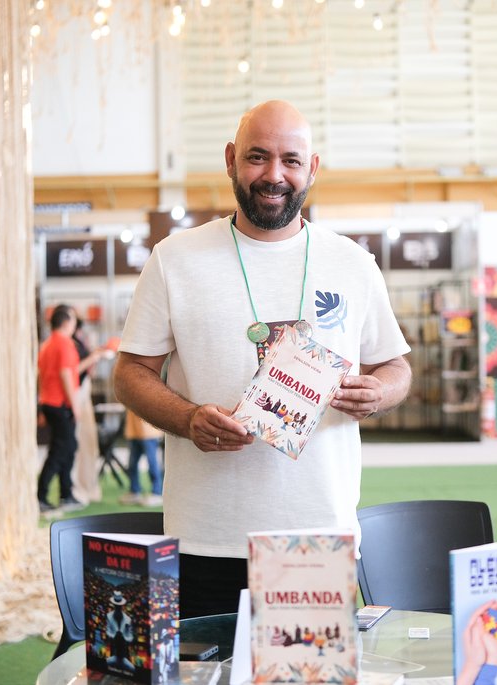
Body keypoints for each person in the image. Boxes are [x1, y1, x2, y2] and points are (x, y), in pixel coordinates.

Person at [113, 100, 412, 616]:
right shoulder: (175, 259)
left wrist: (381, 391)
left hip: (318, 535)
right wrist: (188, 419)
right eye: (258, 157)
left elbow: (396, 366)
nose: (274, 175)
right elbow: (129, 373)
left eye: (291, 161)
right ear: (231, 159)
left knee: (312, 678)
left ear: (311, 168)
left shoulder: (353, 264)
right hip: (206, 537)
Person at [37, 304, 86, 514]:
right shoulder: (65, 344)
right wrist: (74, 405)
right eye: (74, 320)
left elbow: (43, 376)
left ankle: (66, 493)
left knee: (67, 447)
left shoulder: (47, 345)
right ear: (67, 322)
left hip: (49, 403)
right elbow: (66, 375)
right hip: (60, 404)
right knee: (61, 449)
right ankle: (42, 495)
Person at [70, 317, 108, 504]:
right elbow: (71, 371)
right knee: (79, 442)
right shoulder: (69, 344)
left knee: (87, 441)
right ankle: (78, 486)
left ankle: (86, 484)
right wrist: (94, 357)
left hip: (83, 394)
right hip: (77, 396)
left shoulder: (77, 342)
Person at [119, 409, 163, 507]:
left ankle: (157, 492)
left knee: (152, 463)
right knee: (132, 464)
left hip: (149, 432)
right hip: (134, 430)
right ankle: (134, 491)